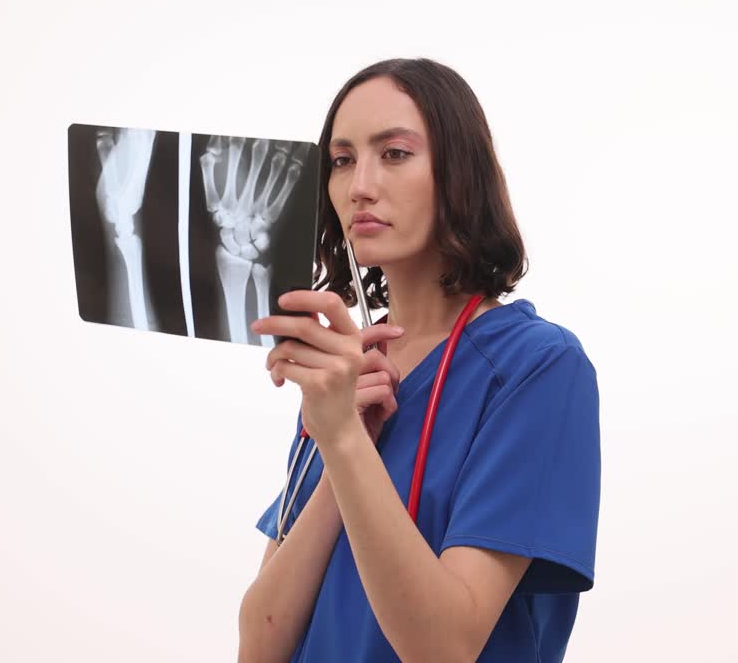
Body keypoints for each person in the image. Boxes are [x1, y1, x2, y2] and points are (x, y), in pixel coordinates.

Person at [238, 58, 601, 662]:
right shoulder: (346, 372)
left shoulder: (537, 368)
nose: (359, 186)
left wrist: (346, 443)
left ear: (459, 173)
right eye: (342, 159)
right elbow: (261, 640)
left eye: (396, 154)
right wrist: (338, 442)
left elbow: (445, 648)